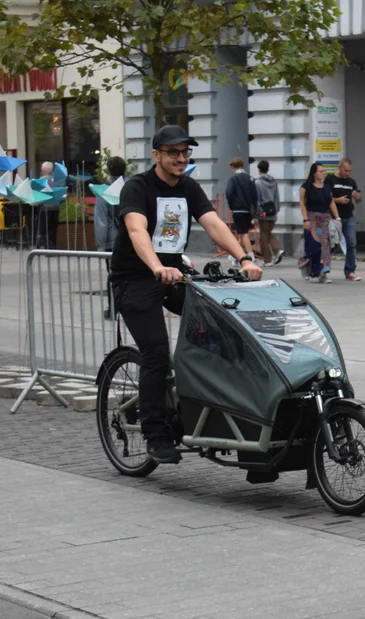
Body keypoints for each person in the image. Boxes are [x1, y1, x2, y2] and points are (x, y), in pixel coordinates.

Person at [110, 125, 262, 464]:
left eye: (185, 152)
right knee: (157, 353)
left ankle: (220, 419)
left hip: (175, 274)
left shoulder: (188, 187)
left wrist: (244, 257)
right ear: (157, 156)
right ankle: (154, 433)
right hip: (135, 279)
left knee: (226, 330)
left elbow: (214, 224)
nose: (181, 158)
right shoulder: (137, 187)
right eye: (173, 153)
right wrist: (155, 266)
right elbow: (137, 230)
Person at [298, 162, 341, 282]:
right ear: (314, 173)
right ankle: (306, 265)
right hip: (313, 220)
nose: (323, 173)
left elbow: (331, 202)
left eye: (324, 171)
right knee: (314, 246)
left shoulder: (327, 186)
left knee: (326, 246)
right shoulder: (306, 187)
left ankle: (323, 273)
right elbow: (302, 204)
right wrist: (305, 219)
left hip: (325, 220)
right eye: (321, 171)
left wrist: (338, 218)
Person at [331, 158, 362, 281]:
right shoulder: (330, 180)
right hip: (333, 217)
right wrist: (338, 200)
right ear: (339, 168)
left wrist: (358, 197)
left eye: (350, 171)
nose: (348, 173)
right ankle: (322, 268)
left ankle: (350, 271)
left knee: (351, 244)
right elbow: (325, 198)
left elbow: (359, 200)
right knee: (330, 245)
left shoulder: (351, 182)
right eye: (346, 170)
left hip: (348, 216)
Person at [224, 157, 257, 260]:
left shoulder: (233, 179)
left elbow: (229, 193)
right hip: (248, 209)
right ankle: (234, 256)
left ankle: (250, 255)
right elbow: (255, 194)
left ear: (233, 166)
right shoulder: (250, 178)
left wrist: (232, 205)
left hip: (238, 209)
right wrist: (253, 208)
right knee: (243, 232)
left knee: (243, 233)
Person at [94, 155, 127, 252]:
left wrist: (100, 245)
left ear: (109, 171)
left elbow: (101, 220)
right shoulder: (132, 186)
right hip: (132, 239)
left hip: (111, 239)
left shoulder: (104, 190)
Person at [254, 160, 284, 265]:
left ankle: (267, 259)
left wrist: (257, 213)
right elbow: (277, 196)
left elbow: (257, 199)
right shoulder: (274, 181)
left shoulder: (257, 183)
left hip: (263, 212)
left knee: (263, 235)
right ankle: (277, 250)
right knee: (268, 233)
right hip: (273, 212)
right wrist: (277, 209)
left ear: (259, 170)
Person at [38, 161, 61, 249]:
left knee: (44, 228)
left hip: (45, 207)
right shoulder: (57, 180)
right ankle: (52, 246)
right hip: (55, 207)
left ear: (43, 170)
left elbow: (38, 194)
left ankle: (45, 245)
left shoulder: (41, 181)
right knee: (53, 228)